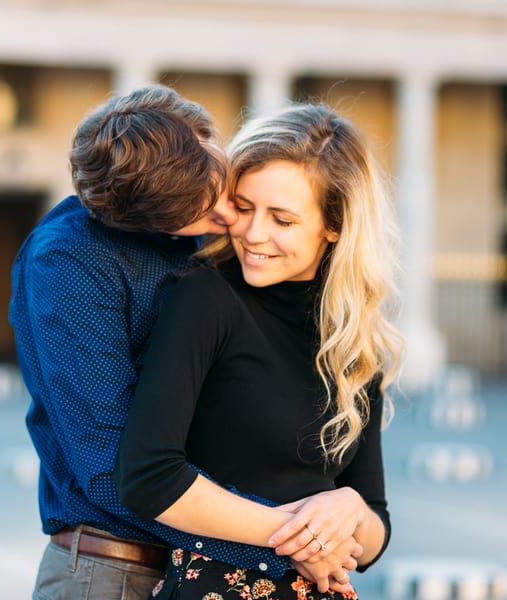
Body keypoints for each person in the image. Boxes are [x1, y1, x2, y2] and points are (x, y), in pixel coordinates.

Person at [10, 86, 357, 600]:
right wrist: (289, 540)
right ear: (140, 222)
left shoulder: (214, 232)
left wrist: (340, 506)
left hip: (218, 566)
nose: (230, 217)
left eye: (222, 188)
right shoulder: (69, 264)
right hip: (118, 570)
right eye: (204, 214)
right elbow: (112, 474)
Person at [114, 103, 404, 600]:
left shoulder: (355, 341)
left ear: (334, 226)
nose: (253, 234)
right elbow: (148, 476)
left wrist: (351, 508)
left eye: (282, 219)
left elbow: (375, 530)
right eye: (244, 208)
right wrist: (298, 537)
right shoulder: (205, 299)